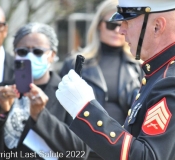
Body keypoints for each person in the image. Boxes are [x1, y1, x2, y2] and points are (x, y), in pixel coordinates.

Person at [55, 0, 175, 159]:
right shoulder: (169, 70)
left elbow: (146, 156)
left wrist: (86, 110)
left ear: (157, 26)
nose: (121, 30)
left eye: (128, 21)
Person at [0, 22, 89, 160]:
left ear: (52, 55)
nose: (30, 56)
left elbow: (80, 151)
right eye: (22, 51)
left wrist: (41, 116)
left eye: (38, 51)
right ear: (14, 54)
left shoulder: (68, 93)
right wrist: (0, 112)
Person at [60, 0, 142, 159]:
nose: (118, 30)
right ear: (98, 25)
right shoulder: (76, 64)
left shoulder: (138, 65)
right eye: (112, 25)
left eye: (124, 24)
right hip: (85, 148)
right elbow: (62, 112)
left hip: (123, 148)